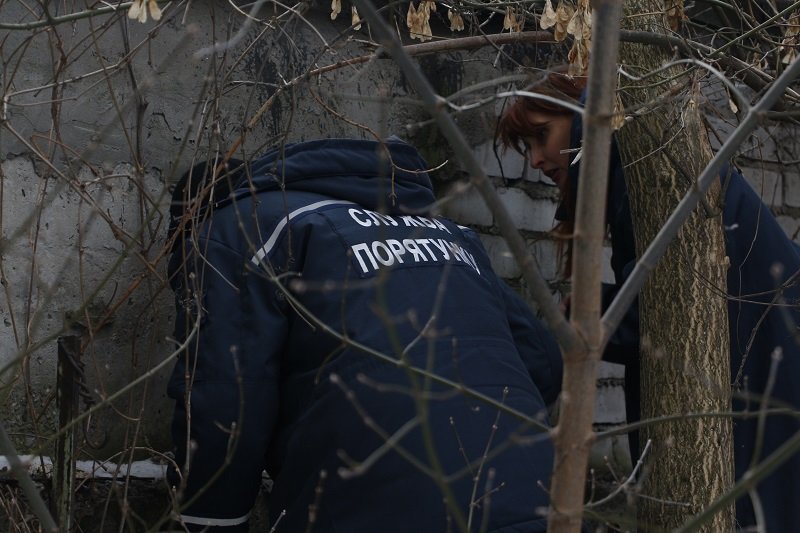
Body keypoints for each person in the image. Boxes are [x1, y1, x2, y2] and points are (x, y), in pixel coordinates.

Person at [165, 137, 563, 532]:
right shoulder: (453, 236)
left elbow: (222, 407)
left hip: (376, 509)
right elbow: (543, 360)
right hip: (537, 499)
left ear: (190, 224)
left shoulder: (236, 229)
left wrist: (204, 523)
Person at [497, 69, 800, 532]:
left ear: (579, 116)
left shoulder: (640, 164)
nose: (536, 160)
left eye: (542, 135)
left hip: (763, 360)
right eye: (528, 147)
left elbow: (665, 312)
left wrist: (587, 316)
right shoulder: (639, 153)